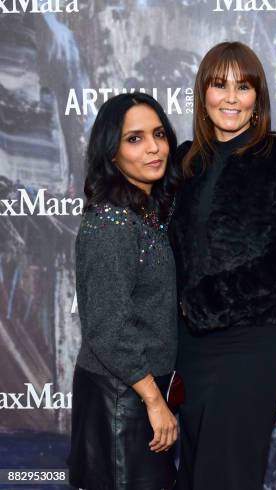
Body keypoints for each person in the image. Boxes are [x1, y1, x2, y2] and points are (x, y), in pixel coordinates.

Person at [170, 41, 276, 490]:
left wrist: (208, 301)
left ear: (258, 99)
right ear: (203, 93)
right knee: (194, 474)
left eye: (243, 86)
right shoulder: (184, 161)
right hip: (189, 347)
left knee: (227, 474)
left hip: (252, 342)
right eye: (219, 85)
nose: (231, 97)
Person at [67, 92, 181, 490]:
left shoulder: (146, 215)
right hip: (122, 396)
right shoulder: (111, 225)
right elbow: (108, 327)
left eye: (158, 134)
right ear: (111, 153)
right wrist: (153, 400)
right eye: (134, 138)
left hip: (138, 390)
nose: (153, 148)